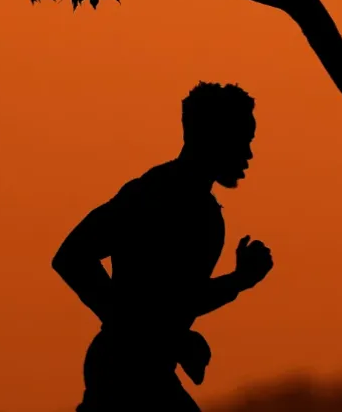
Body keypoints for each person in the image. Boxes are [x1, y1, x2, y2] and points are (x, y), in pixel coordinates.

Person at [52, 81, 274, 411]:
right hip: (124, 373)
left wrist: (238, 280)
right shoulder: (152, 195)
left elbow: (177, 300)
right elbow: (71, 257)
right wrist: (143, 332)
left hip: (147, 369)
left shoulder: (206, 212)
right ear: (213, 137)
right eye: (242, 140)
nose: (248, 154)